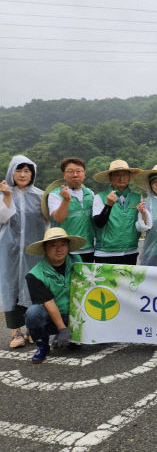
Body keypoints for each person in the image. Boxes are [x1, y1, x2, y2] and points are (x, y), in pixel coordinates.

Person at [0, 155, 46, 349]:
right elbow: (3, 218)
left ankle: (32, 329)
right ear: (12, 172)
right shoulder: (2, 194)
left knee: (33, 287)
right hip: (8, 250)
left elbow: (49, 221)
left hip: (33, 251)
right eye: (19, 170)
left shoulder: (40, 195)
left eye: (27, 170)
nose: (23, 174)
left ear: (33, 174)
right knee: (10, 288)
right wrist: (8, 197)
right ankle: (15, 331)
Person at [24, 227, 86, 363]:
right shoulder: (34, 275)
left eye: (63, 244)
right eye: (53, 245)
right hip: (50, 319)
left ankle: (73, 337)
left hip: (75, 313)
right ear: (45, 249)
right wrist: (62, 328)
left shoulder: (77, 261)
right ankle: (42, 346)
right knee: (33, 313)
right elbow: (49, 302)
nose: (59, 249)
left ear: (68, 247)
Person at [92, 160, 151, 265]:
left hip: (130, 252)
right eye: (117, 175)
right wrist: (108, 205)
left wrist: (143, 214)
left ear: (129, 177)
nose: (121, 178)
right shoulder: (100, 197)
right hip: (105, 253)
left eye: (124, 174)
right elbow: (98, 223)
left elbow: (141, 226)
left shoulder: (138, 197)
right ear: (110, 177)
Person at [44, 157, 96, 263]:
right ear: (64, 175)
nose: (75, 175)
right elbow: (58, 218)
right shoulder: (55, 194)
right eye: (70, 171)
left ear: (84, 174)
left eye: (79, 171)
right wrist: (66, 200)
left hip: (89, 248)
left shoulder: (90, 193)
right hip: (66, 250)